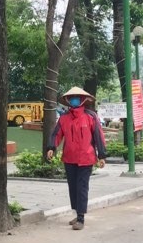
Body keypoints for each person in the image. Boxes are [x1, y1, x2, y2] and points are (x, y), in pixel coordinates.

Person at [46, 87, 107, 230]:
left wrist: (102, 155)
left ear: (82, 100)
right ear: (68, 101)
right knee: (72, 187)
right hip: (69, 157)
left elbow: (99, 136)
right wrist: (51, 147)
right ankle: (76, 211)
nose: (74, 100)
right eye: (71, 98)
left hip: (86, 157)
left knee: (82, 187)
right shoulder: (64, 118)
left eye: (77, 98)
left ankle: (81, 217)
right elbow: (56, 134)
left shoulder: (91, 116)